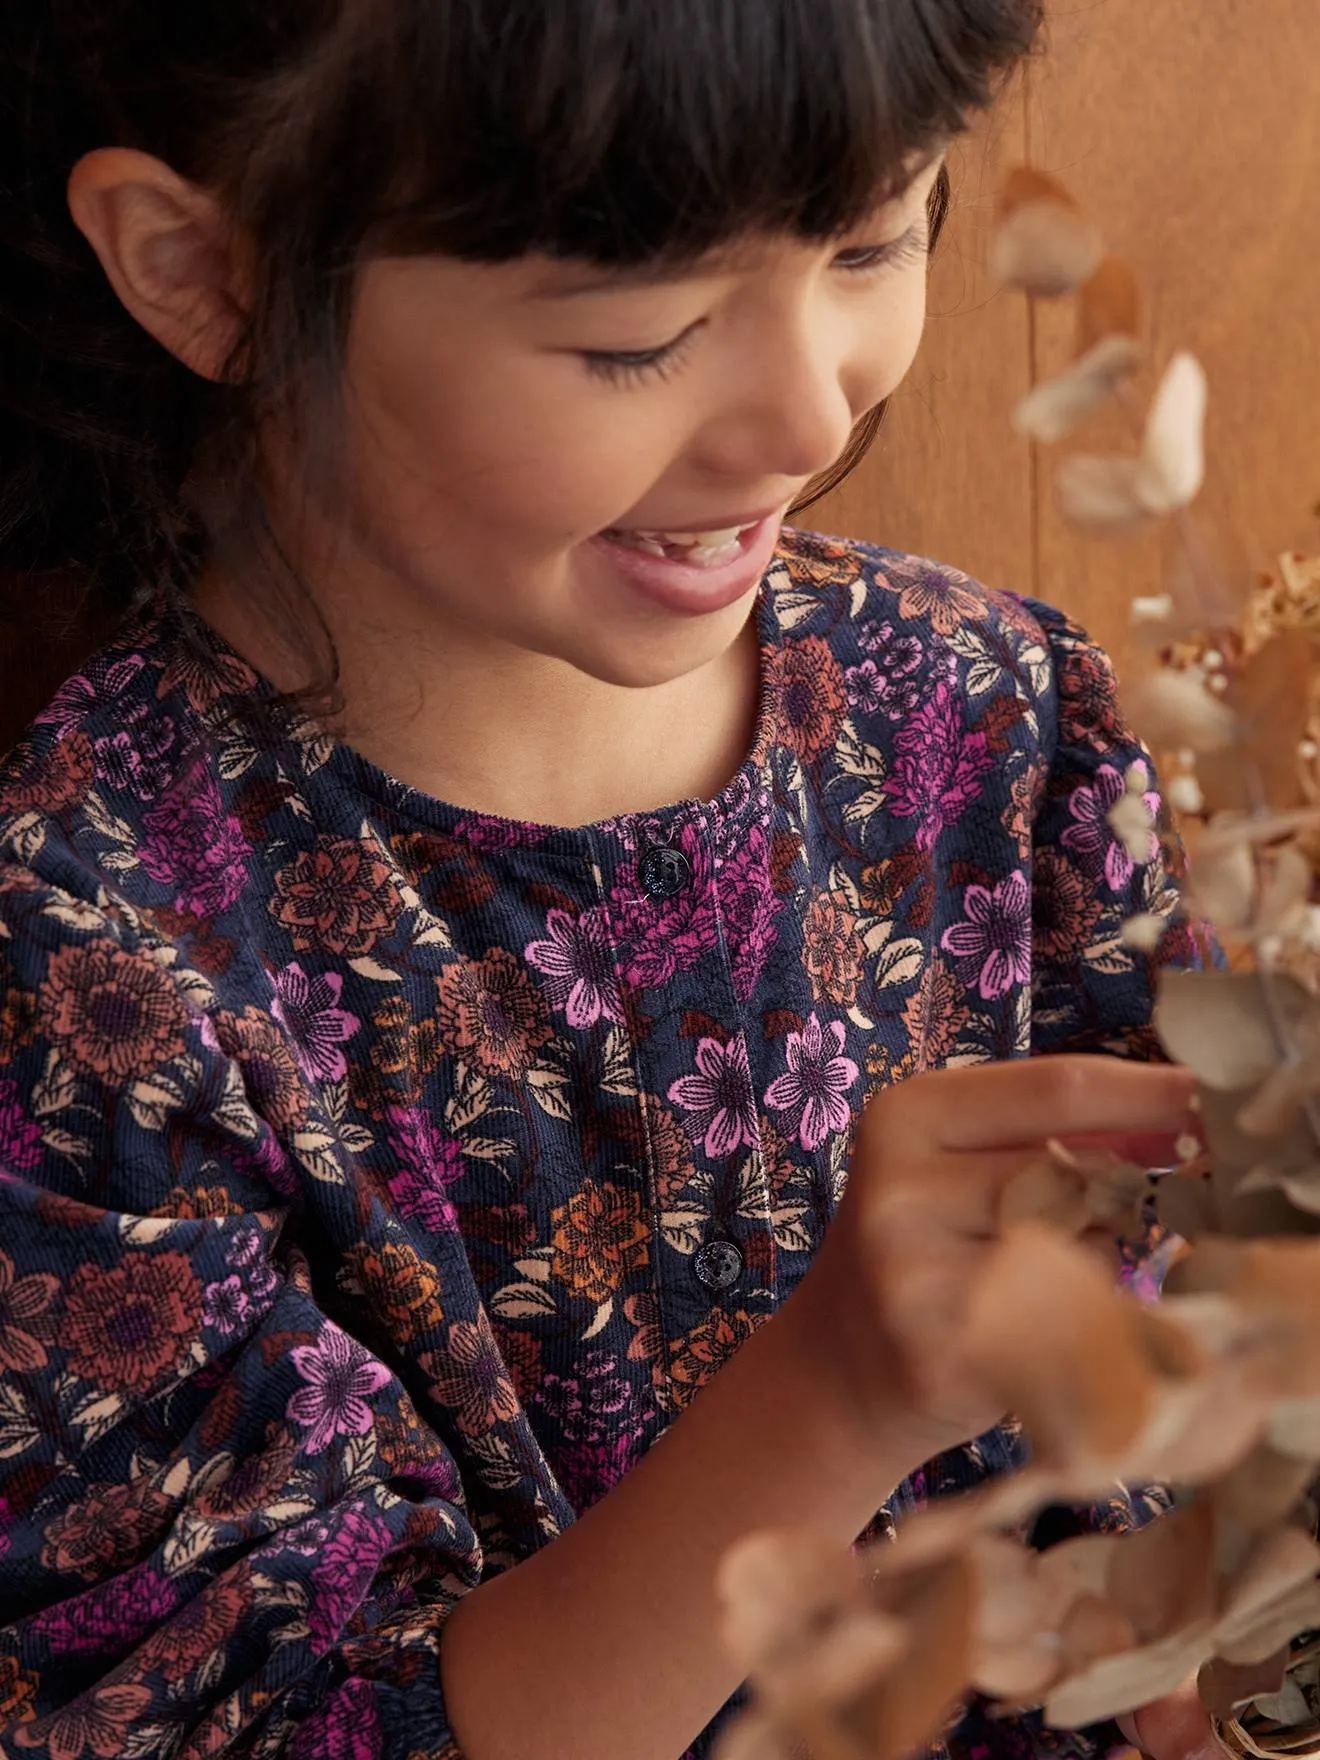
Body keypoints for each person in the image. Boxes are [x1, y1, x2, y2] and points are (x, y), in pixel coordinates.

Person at [0, 3, 1221, 1757]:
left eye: (876, 236)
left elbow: (1186, 1513)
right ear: (209, 271)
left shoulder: (994, 718)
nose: (806, 414)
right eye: (643, 335)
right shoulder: (95, 955)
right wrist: (833, 1401)